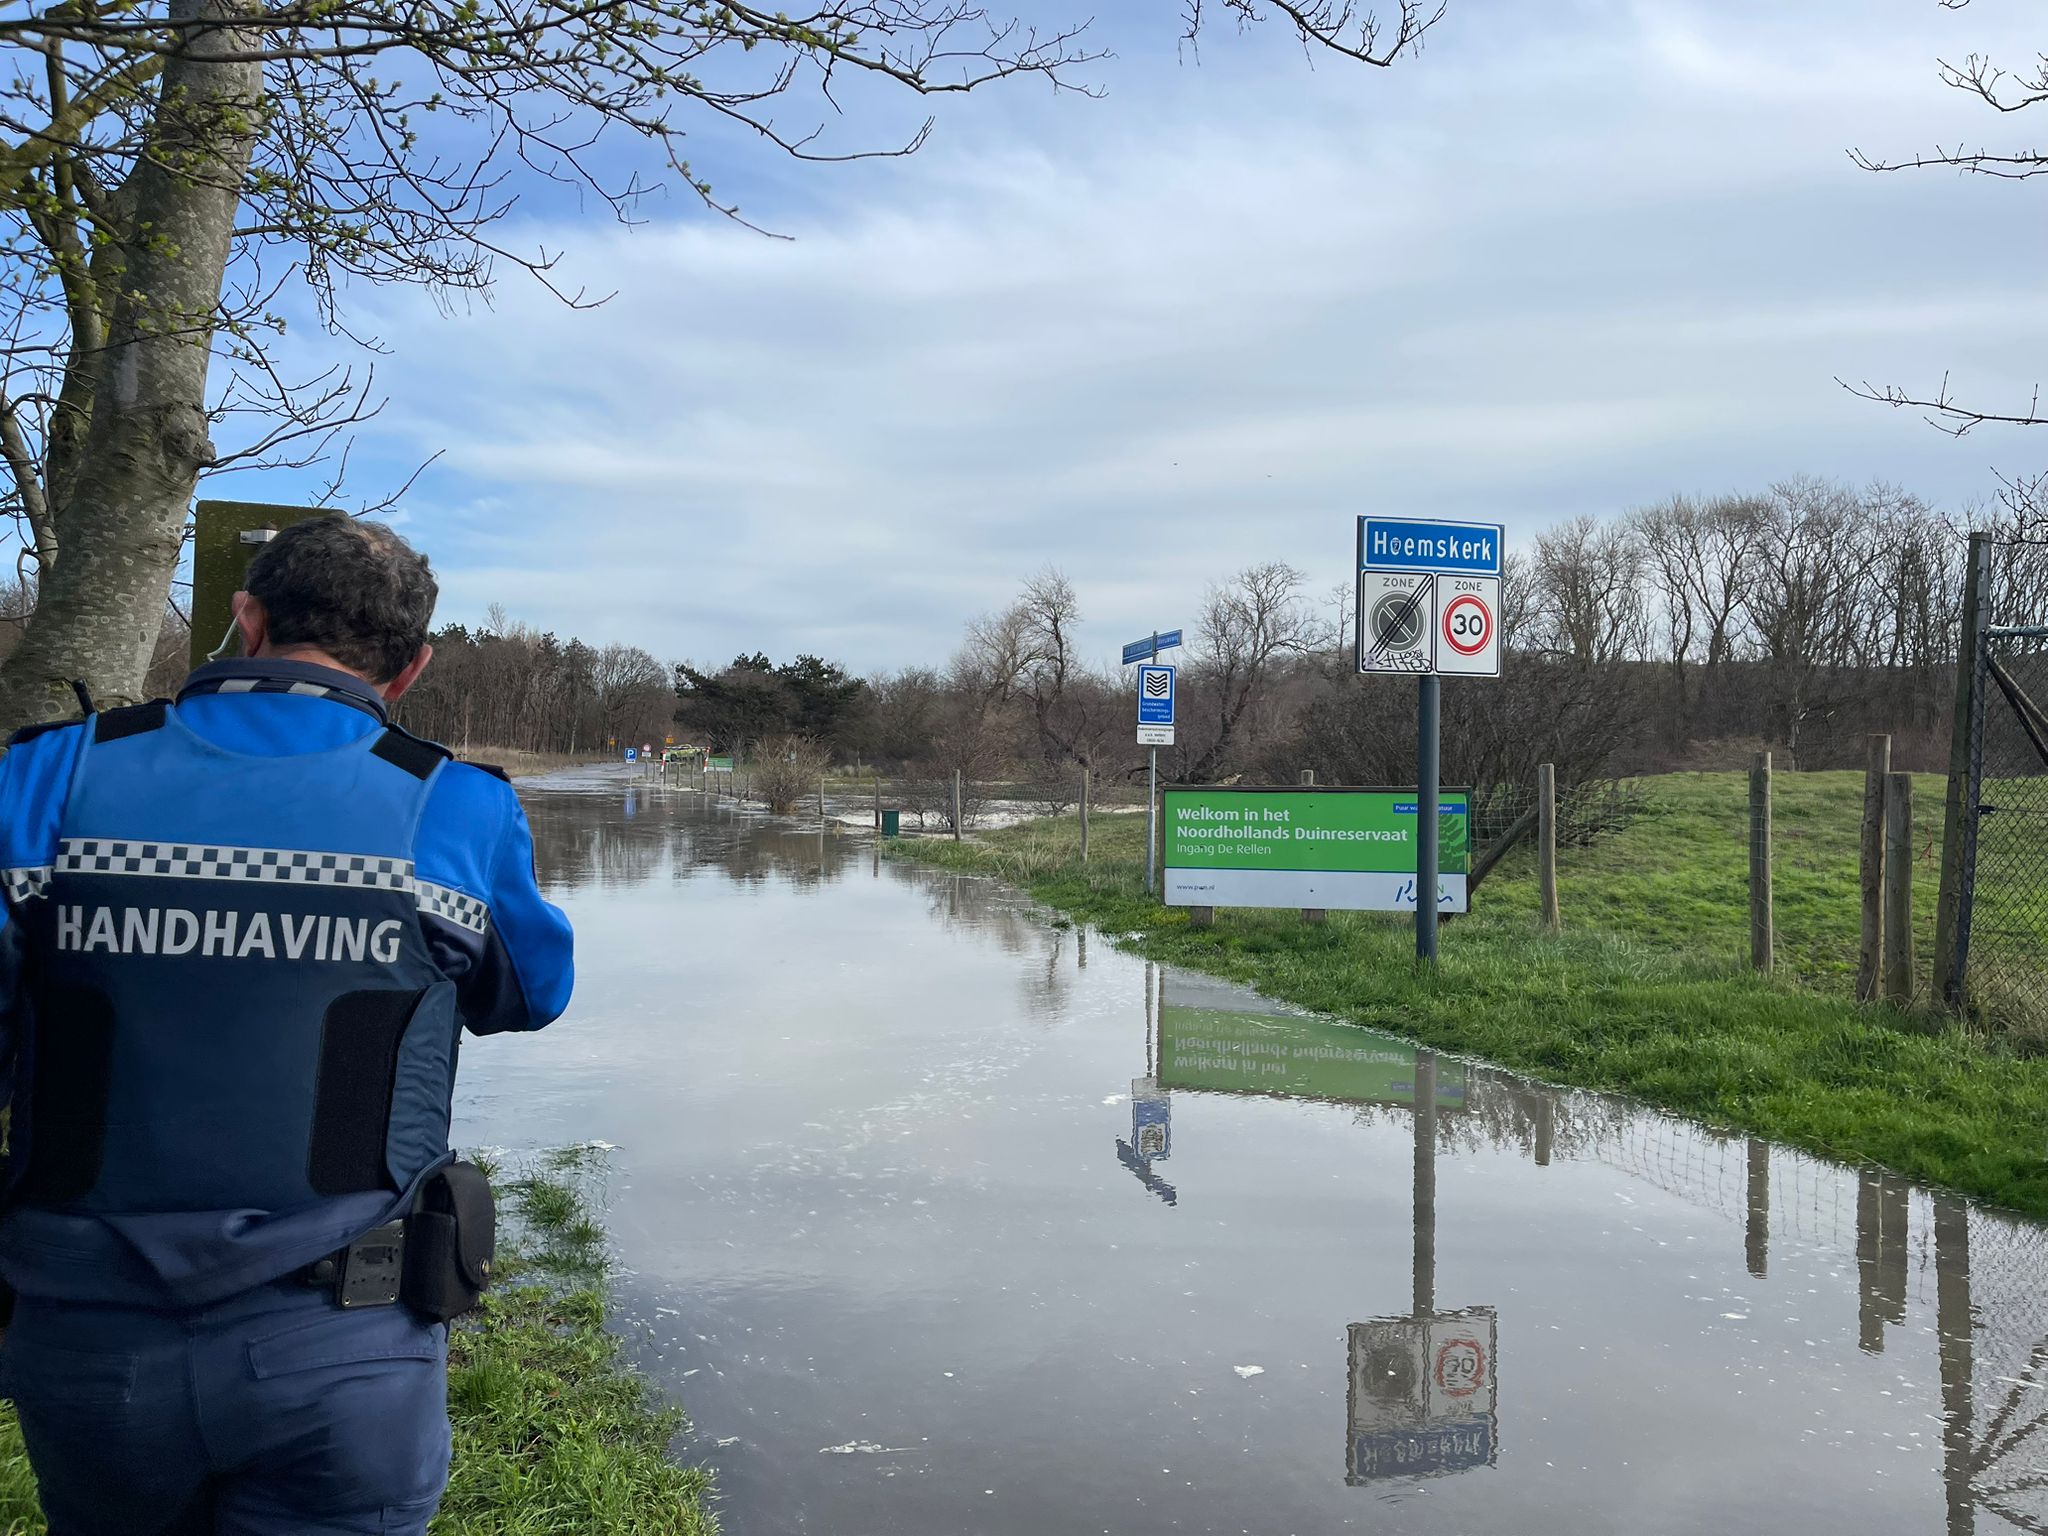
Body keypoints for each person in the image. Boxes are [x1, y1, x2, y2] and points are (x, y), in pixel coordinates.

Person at [0, 516, 574, 1534]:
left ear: (247, 618)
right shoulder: (452, 805)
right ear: (412, 666)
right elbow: (528, 994)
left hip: (89, 1329)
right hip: (344, 1340)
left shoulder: (49, 775)